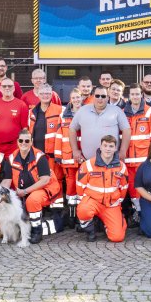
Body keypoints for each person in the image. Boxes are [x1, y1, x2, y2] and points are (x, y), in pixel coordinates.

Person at [1, 128, 62, 242]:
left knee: (32, 200)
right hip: (25, 192)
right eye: (21, 141)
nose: (23, 143)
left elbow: (45, 180)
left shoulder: (40, 157)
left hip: (46, 189)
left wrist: (25, 192)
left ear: (31, 142)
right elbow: (7, 181)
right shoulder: (11, 158)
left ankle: (36, 231)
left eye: (27, 141)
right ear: (17, 142)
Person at [76, 135, 128, 243]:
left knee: (117, 238)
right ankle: (90, 230)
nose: (108, 149)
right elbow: (80, 185)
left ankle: (107, 224)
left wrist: (118, 201)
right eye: (105, 145)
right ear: (100, 147)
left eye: (111, 146)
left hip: (111, 204)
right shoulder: (88, 164)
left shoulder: (121, 167)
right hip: (93, 201)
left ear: (115, 148)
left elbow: (124, 187)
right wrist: (83, 201)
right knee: (83, 210)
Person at [123, 84, 151, 222]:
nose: (135, 97)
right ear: (128, 96)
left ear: (142, 95)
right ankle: (137, 212)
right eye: (132, 94)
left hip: (144, 162)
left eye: (137, 94)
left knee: (146, 188)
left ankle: (147, 215)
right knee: (132, 189)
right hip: (127, 161)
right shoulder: (122, 113)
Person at [70, 85, 130, 166]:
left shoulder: (117, 111)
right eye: (97, 96)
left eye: (103, 96)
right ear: (93, 97)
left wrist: (123, 151)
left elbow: (126, 130)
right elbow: (72, 129)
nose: (100, 98)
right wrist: (75, 150)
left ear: (108, 97)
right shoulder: (82, 111)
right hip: (88, 162)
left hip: (111, 162)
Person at [28, 83, 64, 184]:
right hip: (37, 154)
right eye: (42, 93)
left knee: (56, 179)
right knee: (37, 178)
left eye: (48, 93)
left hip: (53, 154)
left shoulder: (60, 110)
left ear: (51, 94)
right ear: (38, 95)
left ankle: (56, 200)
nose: (45, 96)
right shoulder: (31, 113)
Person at [56, 88, 84, 216]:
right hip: (68, 156)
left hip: (84, 155)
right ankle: (72, 214)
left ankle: (81, 213)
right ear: (70, 99)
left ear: (82, 98)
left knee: (83, 183)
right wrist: (58, 155)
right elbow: (58, 136)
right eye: (74, 98)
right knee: (71, 184)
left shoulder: (88, 113)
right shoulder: (63, 116)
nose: (76, 100)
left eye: (78, 97)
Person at [0, 77, 28, 155]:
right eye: (4, 86)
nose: (7, 88)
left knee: (13, 167)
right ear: (0, 88)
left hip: (14, 146)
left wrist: (22, 145)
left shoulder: (21, 105)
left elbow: (24, 128)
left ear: (14, 88)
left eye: (10, 86)